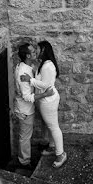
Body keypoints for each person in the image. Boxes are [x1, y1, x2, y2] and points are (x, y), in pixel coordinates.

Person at [12, 43, 53, 168]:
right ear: (28, 56)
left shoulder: (28, 67)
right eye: (33, 52)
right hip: (24, 111)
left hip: (27, 109)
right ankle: (24, 162)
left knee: (26, 135)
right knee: (25, 137)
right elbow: (27, 97)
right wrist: (45, 94)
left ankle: (25, 159)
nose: (36, 53)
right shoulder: (22, 73)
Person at [31, 40, 67, 168]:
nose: (36, 51)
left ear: (44, 50)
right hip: (47, 99)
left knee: (53, 127)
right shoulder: (45, 64)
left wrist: (30, 80)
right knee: (50, 125)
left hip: (48, 101)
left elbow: (45, 85)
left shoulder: (47, 66)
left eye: (37, 49)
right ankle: (52, 147)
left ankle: (61, 153)